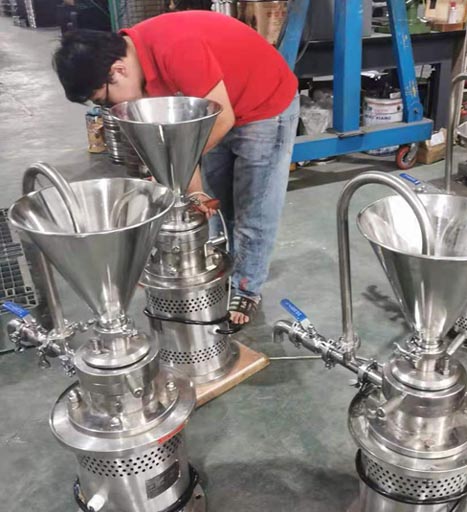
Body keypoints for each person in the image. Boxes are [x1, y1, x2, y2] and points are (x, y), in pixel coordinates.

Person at [53, 10, 299, 326]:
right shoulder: (138, 65)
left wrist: (174, 172)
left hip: (264, 105)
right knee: (216, 204)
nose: (111, 109)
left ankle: (246, 288)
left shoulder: (176, 48)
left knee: (255, 209)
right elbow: (180, 141)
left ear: (118, 70)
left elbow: (218, 123)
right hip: (220, 105)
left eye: (104, 101)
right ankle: (219, 270)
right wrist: (193, 191)